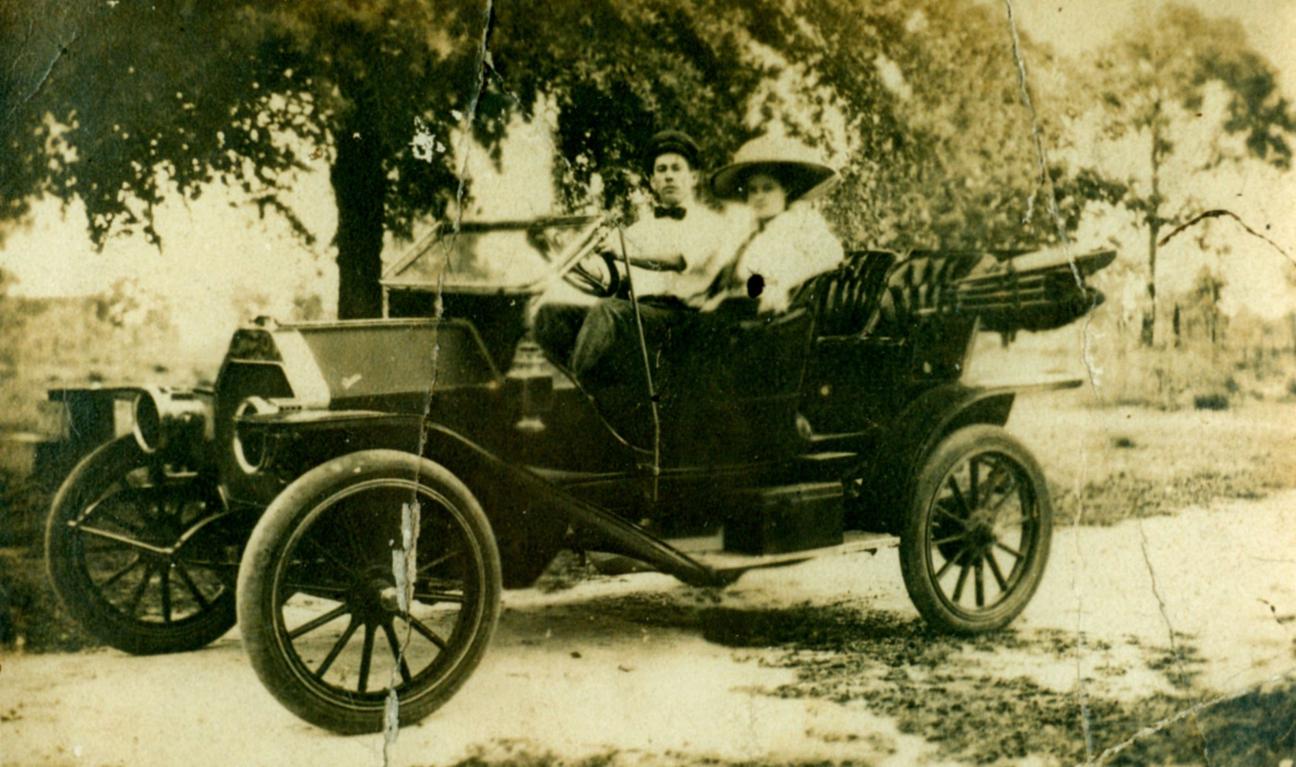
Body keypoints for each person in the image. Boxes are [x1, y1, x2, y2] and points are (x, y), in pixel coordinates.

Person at [533, 129, 728, 384]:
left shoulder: (710, 224)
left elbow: (675, 260)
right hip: (637, 316)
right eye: (661, 170)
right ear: (651, 180)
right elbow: (610, 279)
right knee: (551, 314)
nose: (668, 175)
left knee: (608, 312)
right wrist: (562, 249)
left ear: (693, 177)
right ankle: (580, 389)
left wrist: (623, 254)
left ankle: (577, 391)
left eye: (676, 168)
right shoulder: (638, 229)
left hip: (682, 322)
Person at [699, 133, 845, 315]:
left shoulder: (803, 223)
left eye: (768, 188)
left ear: (786, 190)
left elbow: (832, 255)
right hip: (747, 310)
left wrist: (783, 284)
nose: (759, 196)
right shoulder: (751, 234)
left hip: (785, 315)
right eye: (753, 190)